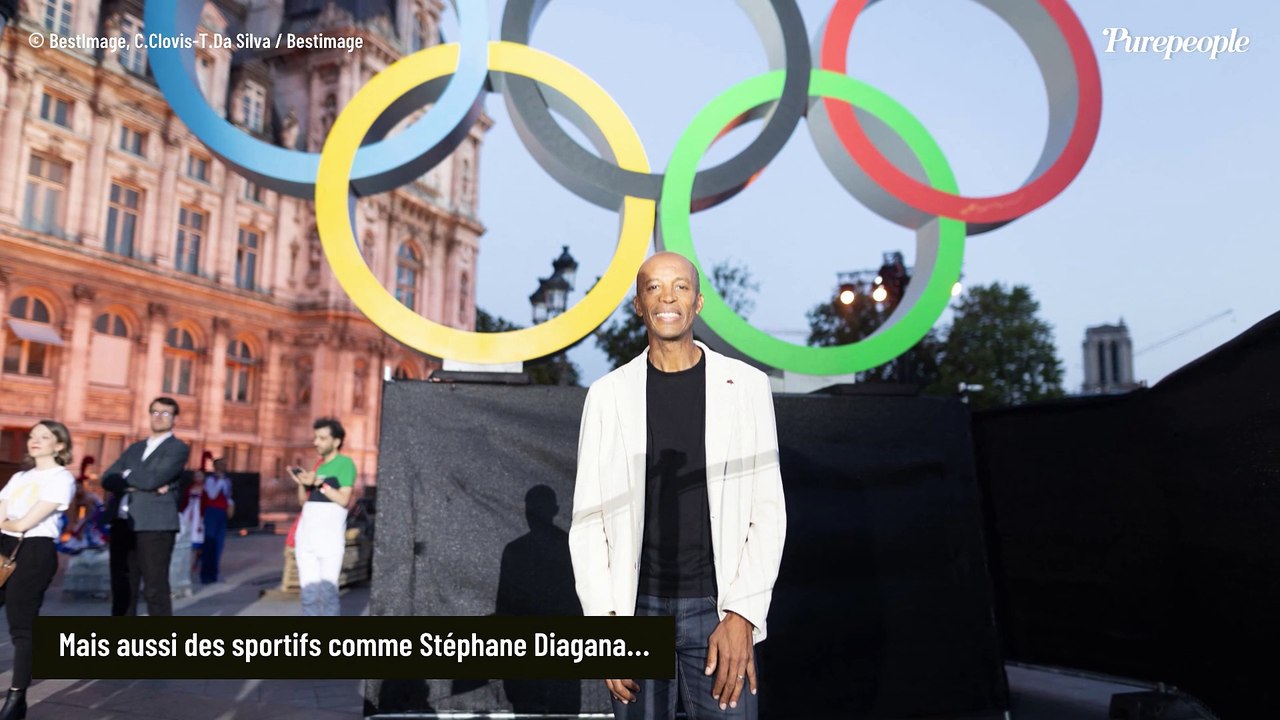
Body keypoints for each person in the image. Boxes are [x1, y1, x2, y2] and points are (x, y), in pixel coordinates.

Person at [569, 252, 786, 720]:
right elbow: (589, 522)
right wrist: (605, 624)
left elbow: (768, 513)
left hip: (719, 611)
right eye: (653, 287)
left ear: (698, 301)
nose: (668, 296)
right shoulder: (607, 395)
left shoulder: (747, 387)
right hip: (635, 611)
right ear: (638, 306)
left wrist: (743, 616)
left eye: (680, 286)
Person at [0, 421, 77, 720]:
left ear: (59, 445)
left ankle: (16, 697)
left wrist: (8, 522)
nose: (35, 441)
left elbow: (23, 523)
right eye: (33, 436)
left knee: (21, 625)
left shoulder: (61, 478)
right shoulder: (19, 476)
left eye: (44, 437)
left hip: (34, 551)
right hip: (4, 545)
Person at [102, 397, 191, 616]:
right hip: (123, 523)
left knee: (155, 588)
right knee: (123, 587)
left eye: (165, 413)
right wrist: (141, 482)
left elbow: (153, 479)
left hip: (155, 525)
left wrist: (128, 476)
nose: (159, 417)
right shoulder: (135, 448)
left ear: (175, 419)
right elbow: (107, 478)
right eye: (155, 412)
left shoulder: (177, 448)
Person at [288, 418, 355, 616]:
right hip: (306, 539)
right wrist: (302, 482)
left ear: (336, 441)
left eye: (322, 438)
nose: (316, 442)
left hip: (329, 541)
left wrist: (318, 483)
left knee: (328, 593)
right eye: (315, 437)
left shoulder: (345, 464)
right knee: (308, 595)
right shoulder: (317, 465)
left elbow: (344, 499)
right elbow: (303, 503)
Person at [199, 458, 233, 583]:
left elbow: (228, 495)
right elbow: (212, 494)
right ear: (215, 467)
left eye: (225, 465)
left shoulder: (227, 480)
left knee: (219, 544)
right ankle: (205, 574)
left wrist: (230, 506)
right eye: (221, 465)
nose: (223, 467)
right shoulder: (210, 480)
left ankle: (214, 573)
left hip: (222, 512)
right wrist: (219, 481)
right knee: (209, 543)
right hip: (212, 511)